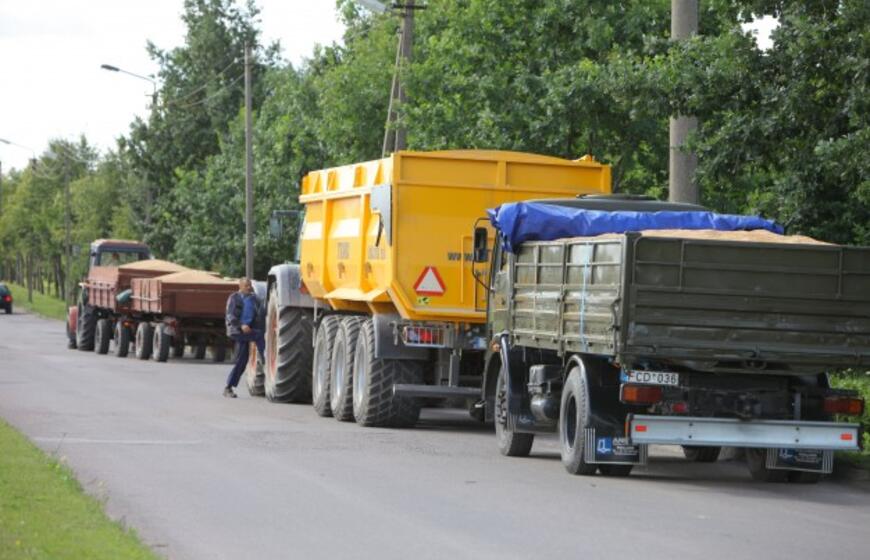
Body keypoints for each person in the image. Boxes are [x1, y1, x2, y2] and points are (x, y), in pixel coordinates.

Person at [223, 277, 264, 398]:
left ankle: (228, 387)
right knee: (259, 336)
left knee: (242, 360)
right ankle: (266, 359)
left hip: (247, 332)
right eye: (246, 285)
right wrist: (241, 325)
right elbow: (230, 316)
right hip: (237, 330)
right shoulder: (234, 298)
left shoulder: (253, 298)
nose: (249, 287)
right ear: (240, 286)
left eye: (250, 285)